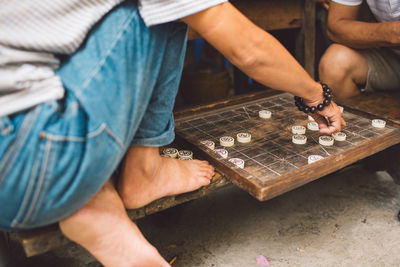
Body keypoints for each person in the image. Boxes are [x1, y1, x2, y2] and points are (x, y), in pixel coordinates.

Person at [0, 1, 344, 266]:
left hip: (12, 184)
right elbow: (248, 51)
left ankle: (92, 202)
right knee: (172, 11)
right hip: (36, 159)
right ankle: (139, 170)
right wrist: (317, 96)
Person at [318, 0, 400, 100]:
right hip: (393, 56)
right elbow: (337, 27)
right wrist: (392, 33)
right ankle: (365, 114)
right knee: (334, 64)